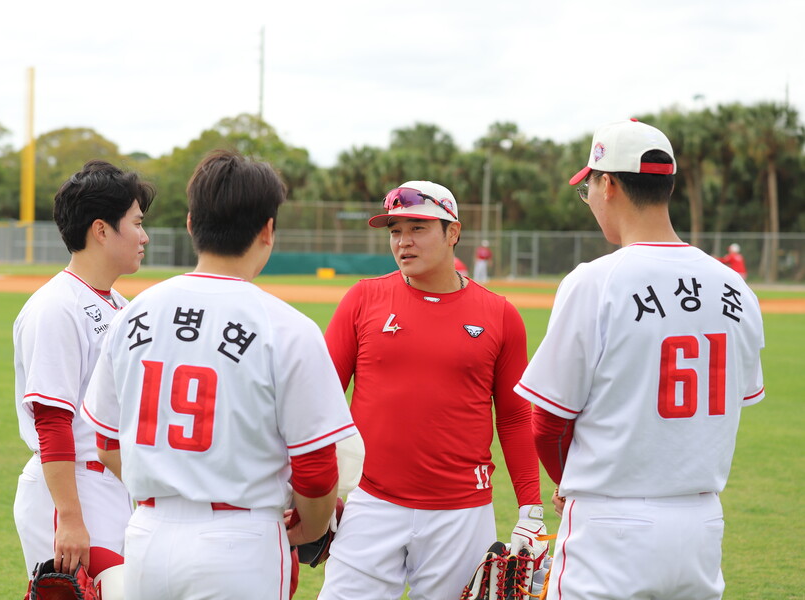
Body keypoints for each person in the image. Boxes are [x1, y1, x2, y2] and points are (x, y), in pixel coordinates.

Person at [80, 150, 357, 600]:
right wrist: (315, 523)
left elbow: (109, 444)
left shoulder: (133, 315)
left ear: (191, 223)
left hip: (148, 535)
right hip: (241, 541)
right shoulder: (287, 327)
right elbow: (316, 469)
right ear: (268, 230)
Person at [514, 119, 765, 600]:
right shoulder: (735, 288)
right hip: (702, 522)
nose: (588, 199)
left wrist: (567, 482)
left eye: (587, 187)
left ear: (607, 184)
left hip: (610, 522)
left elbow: (545, 421)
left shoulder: (595, 281)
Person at [319, 181, 545, 600]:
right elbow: (321, 402)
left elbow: (514, 417)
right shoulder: (363, 299)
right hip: (371, 503)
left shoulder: (500, 314)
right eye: (395, 231)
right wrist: (317, 489)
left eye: (418, 229)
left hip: (461, 514)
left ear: (452, 232)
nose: (403, 242)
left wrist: (531, 506)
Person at [12, 160, 156, 582]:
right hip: (70, 490)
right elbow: (52, 419)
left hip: (113, 485)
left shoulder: (121, 306)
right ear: (101, 230)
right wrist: (70, 520)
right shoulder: (57, 306)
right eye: (136, 223)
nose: (144, 236)